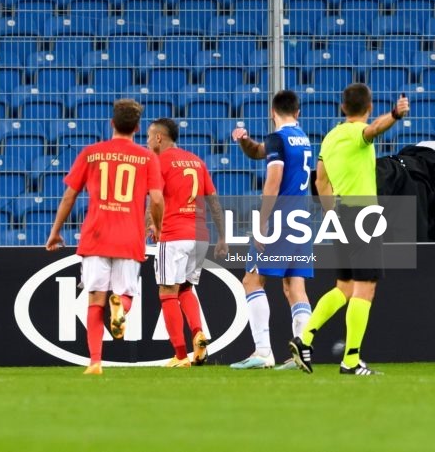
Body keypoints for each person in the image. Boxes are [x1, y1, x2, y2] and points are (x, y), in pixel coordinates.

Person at [290, 85, 410, 375]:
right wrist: (394, 114)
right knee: (365, 289)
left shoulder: (330, 139)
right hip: (363, 216)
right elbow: (372, 132)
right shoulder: (361, 133)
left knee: (343, 287)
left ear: (343, 108)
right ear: (368, 108)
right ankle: (351, 360)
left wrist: (332, 214)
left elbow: (319, 182)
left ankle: (304, 339)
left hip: (341, 214)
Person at [45, 99, 164, 375]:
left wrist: (55, 231)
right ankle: (120, 307)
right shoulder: (147, 158)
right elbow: (157, 199)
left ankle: (95, 362)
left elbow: (69, 195)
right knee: (125, 294)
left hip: (96, 235)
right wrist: (156, 226)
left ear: (112, 123)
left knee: (95, 298)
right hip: (129, 236)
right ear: (137, 128)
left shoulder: (91, 153)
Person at [228, 90, 314, 370]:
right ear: (297, 112)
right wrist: (244, 141)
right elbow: (257, 151)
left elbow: (273, 182)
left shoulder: (277, 138)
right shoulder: (302, 138)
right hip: (301, 220)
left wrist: (262, 222)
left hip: (279, 219)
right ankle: (302, 350)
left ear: (271, 112)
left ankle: (263, 352)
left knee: (252, 281)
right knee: (294, 286)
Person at [146, 118, 228, 368]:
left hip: (173, 234)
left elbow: (156, 199)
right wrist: (222, 236)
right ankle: (198, 334)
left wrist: (154, 225)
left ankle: (180, 355)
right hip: (200, 235)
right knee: (186, 290)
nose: (147, 142)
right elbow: (213, 200)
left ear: (159, 138)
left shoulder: (159, 162)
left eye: (149, 137)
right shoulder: (197, 161)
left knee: (167, 292)